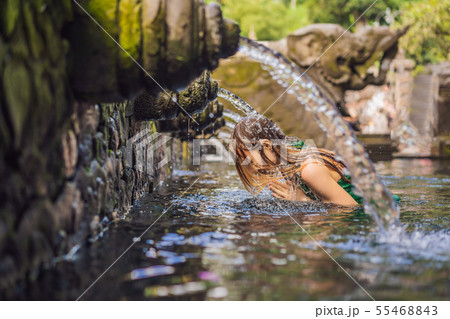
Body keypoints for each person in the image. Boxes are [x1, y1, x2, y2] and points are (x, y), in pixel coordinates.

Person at [228, 115, 363, 207]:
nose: (251, 169)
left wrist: (302, 200)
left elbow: (350, 209)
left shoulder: (310, 169)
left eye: (250, 162)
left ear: (267, 146)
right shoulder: (292, 152)